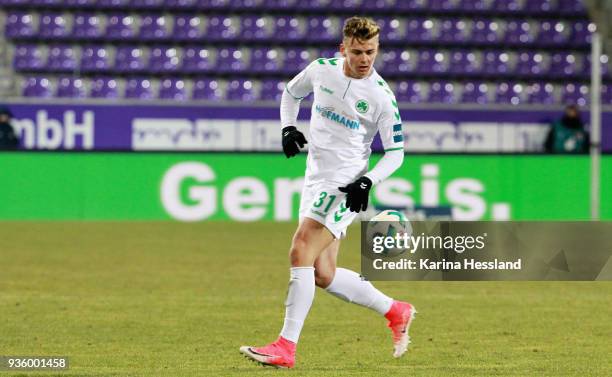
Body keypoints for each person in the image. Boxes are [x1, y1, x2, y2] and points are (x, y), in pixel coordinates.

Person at [240, 17, 415, 369]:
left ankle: (285, 347)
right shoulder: (322, 71)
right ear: (343, 49)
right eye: (357, 52)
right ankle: (396, 310)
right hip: (315, 176)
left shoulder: (381, 97)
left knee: (300, 248)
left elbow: (396, 153)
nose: (365, 59)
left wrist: (367, 182)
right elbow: (291, 93)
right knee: (323, 274)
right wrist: (288, 128)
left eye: (371, 52)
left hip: (344, 183)